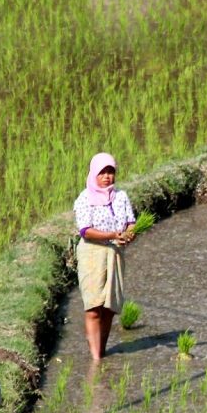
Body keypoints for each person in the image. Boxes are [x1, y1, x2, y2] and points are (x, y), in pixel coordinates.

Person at [73, 152, 136, 360]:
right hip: (92, 254)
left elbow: (130, 222)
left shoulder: (121, 197)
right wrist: (111, 234)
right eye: (102, 172)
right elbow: (85, 230)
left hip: (115, 254)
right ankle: (96, 360)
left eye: (111, 172)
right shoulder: (84, 199)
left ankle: (101, 349)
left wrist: (130, 232)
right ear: (94, 174)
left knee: (109, 307)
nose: (107, 176)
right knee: (93, 307)